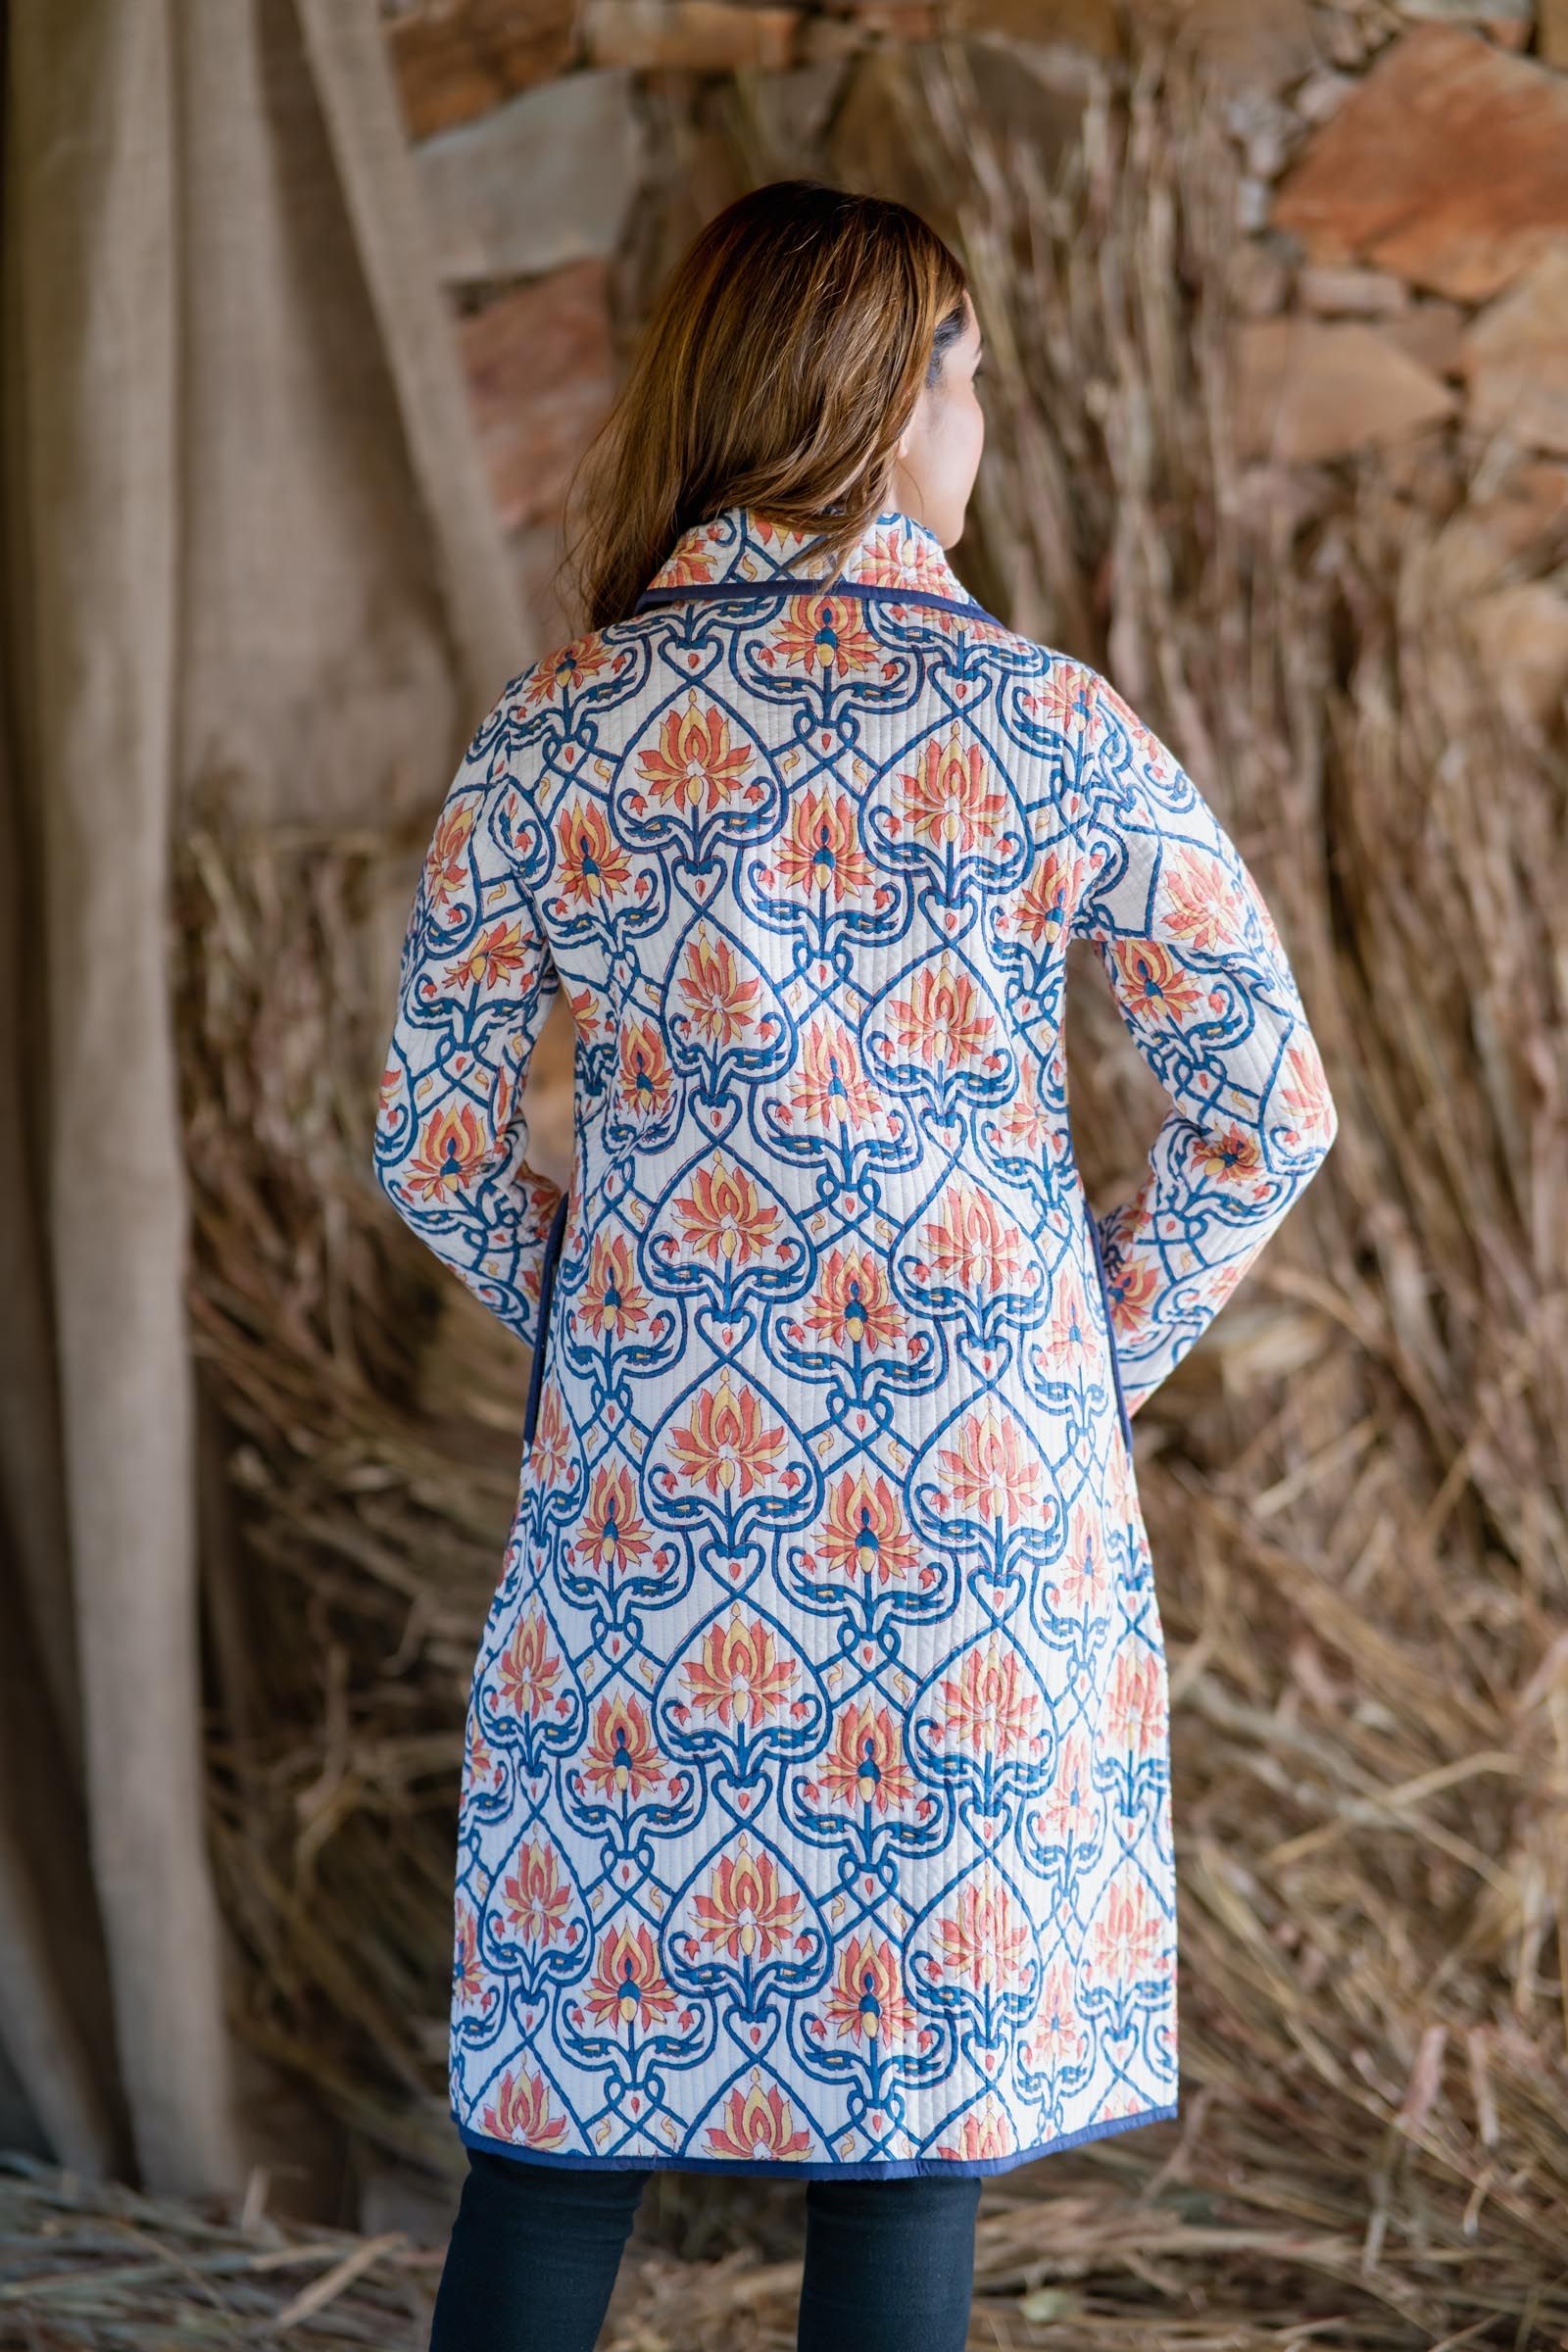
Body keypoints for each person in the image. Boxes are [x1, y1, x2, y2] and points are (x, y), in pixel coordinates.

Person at [372, 176, 1339, 2352]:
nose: (980, 418)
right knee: (904, 2152)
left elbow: (431, 1146)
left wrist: (621, 1338)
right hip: (972, 1536)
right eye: (970, 371)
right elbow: (1261, 1103)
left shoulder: (561, 728)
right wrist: (1065, 1363)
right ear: (890, 401)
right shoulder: (1043, 721)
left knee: (555, 2122)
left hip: (650, 1532)